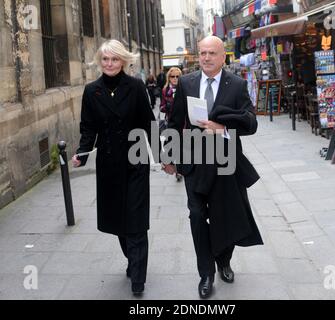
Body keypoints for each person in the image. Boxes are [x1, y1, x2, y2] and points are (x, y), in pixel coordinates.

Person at [162, 36, 263, 299]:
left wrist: (224, 128)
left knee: (224, 215)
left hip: (225, 163)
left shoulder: (238, 85)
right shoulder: (186, 82)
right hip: (194, 162)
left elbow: (251, 123)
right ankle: (205, 273)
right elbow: (174, 122)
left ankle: (223, 261)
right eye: (202, 53)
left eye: (211, 53)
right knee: (197, 216)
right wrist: (168, 155)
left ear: (223, 57)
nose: (206, 58)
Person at [71, 39, 156, 296]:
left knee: (136, 222)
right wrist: (82, 154)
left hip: (135, 161)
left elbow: (149, 123)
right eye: (105, 59)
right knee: (119, 221)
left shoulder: (136, 86)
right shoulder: (91, 90)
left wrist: (165, 157)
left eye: (115, 59)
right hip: (109, 166)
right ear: (100, 61)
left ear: (124, 61)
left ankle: (138, 279)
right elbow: (88, 128)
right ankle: (133, 259)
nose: (109, 64)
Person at [160, 67, 183, 182]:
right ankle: (177, 170)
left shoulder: (184, 89)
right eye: (172, 76)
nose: (175, 79)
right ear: (168, 78)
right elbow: (161, 106)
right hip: (170, 123)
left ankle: (180, 169)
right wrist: (166, 107)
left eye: (177, 76)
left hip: (183, 124)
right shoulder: (165, 90)